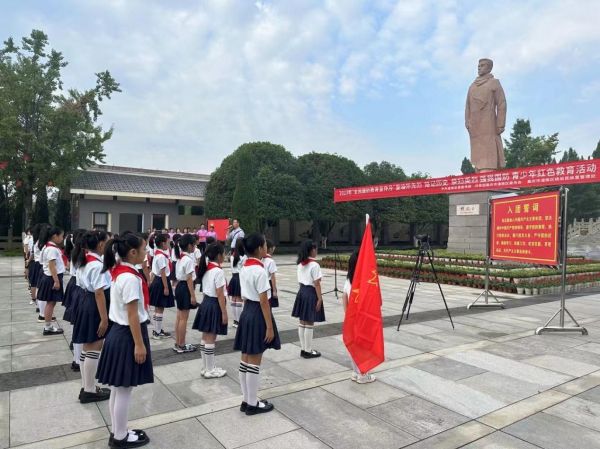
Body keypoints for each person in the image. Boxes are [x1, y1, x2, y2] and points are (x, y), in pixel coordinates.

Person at [96, 233, 152, 448]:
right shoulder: (129, 278)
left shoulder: (122, 271)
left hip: (119, 333)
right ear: (133, 252)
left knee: (119, 388)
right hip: (127, 335)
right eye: (144, 250)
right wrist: (139, 344)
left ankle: (118, 431)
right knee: (124, 389)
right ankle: (120, 437)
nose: (146, 254)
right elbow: (132, 315)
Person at [234, 233, 280, 415]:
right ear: (260, 248)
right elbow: (263, 301)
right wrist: (269, 326)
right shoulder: (260, 271)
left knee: (245, 358)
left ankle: (247, 400)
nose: (267, 248)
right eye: (264, 245)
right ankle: (253, 403)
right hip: (257, 314)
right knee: (254, 360)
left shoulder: (244, 266)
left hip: (247, 312)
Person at [72, 230, 112, 403]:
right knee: (94, 347)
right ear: (101, 244)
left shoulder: (84, 259)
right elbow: (99, 293)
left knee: (88, 347)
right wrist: (104, 318)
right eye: (108, 242)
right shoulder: (96, 265)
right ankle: (89, 390)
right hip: (94, 306)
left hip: (85, 302)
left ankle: (87, 385)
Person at [192, 242, 228, 378]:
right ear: (219, 255)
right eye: (224, 253)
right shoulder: (218, 271)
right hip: (214, 304)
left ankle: (206, 367)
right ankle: (210, 370)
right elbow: (220, 294)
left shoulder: (207, 268)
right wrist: (224, 313)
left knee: (205, 337)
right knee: (211, 338)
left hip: (206, 302)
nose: (224, 256)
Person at [342, 250, 376, 384]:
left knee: (354, 345)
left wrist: (347, 315)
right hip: (364, 319)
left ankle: (355, 372)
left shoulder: (349, 279)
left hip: (352, 317)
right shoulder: (365, 280)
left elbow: (344, 297)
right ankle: (363, 374)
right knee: (364, 345)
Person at [292, 240, 324, 359]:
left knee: (302, 321)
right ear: (311, 250)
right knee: (309, 322)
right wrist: (319, 299)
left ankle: (303, 349)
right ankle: (308, 350)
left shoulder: (300, 263)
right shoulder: (314, 265)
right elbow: (317, 283)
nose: (316, 251)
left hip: (302, 291)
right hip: (311, 293)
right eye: (315, 249)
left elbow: (300, 281)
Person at [62, 229, 86, 372]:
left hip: (74, 284)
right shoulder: (83, 256)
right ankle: (77, 359)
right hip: (78, 287)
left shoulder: (76, 252)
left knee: (76, 320)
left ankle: (75, 347)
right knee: (78, 321)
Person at [37, 226, 67, 335]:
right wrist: (57, 281)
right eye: (62, 236)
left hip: (50, 277)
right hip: (52, 278)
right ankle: (48, 327)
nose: (62, 238)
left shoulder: (48, 247)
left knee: (51, 302)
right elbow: (52, 266)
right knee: (50, 303)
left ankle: (48, 326)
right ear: (55, 236)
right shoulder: (52, 249)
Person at [173, 234, 198, 353]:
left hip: (180, 287)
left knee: (179, 317)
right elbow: (189, 279)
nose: (195, 246)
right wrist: (193, 296)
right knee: (183, 318)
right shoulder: (188, 260)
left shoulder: (181, 258)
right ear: (189, 245)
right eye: (194, 244)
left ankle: (178, 343)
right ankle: (181, 344)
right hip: (185, 288)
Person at [149, 233, 174, 340]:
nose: (169, 244)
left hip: (158, 281)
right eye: (168, 242)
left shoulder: (158, 254)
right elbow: (163, 272)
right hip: (161, 282)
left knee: (158, 307)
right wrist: (166, 287)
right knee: (160, 308)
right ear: (163, 243)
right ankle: (157, 332)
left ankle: (157, 329)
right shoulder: (161, 256)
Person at [228, 239, 246, 328]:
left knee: (234, 300)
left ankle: (235, 321)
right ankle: (239, 321)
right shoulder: (244, 257)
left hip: (233, 278)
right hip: (240, 278)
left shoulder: (232, 256)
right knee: (239, 300)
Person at [263, 240, 278, 308]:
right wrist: (274, 291)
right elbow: (272, 277)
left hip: (262, 282)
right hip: (269, 284)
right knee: (269, 304)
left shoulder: (260, 259)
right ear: (270, 249)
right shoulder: (271, 261)